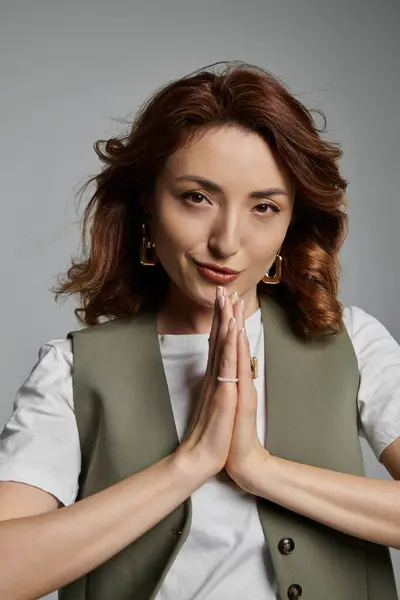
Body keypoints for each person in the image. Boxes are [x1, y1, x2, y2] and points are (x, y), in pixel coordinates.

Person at [0, 61, 399, 600]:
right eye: (197, 197)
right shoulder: (73, 370)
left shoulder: (350, 343)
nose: (227, 241)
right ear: (147, 202)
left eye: (264, 206)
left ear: (290, 222)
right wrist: (188, 465)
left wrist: (259, 470)